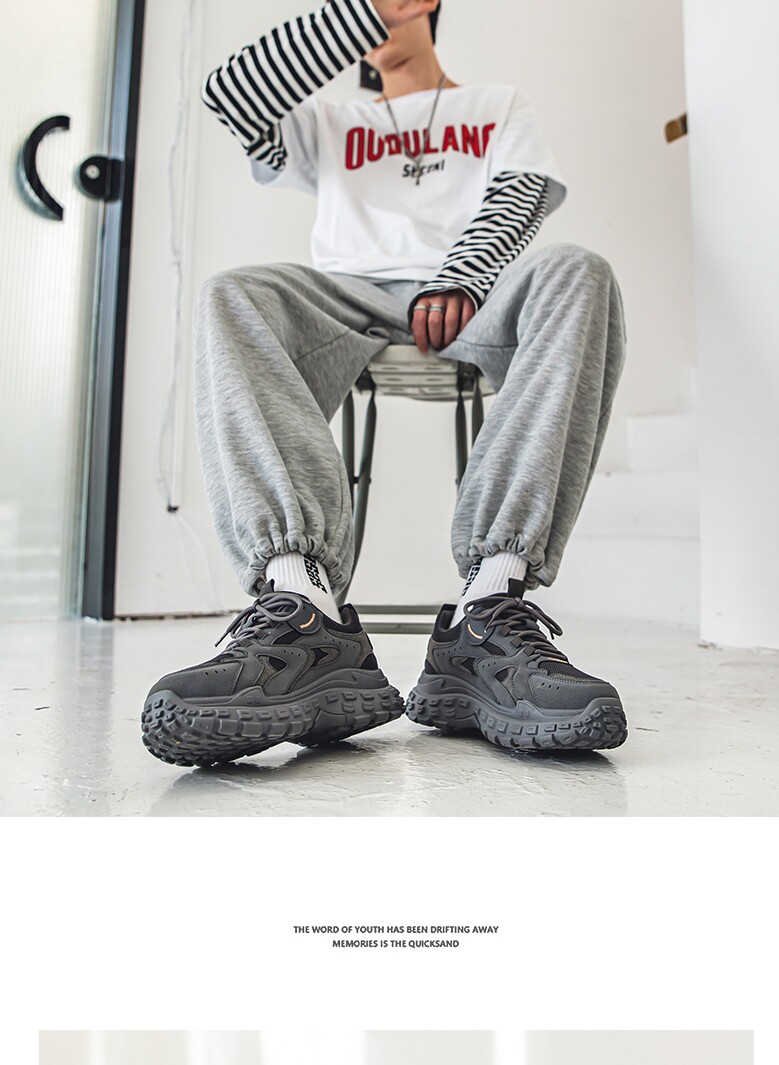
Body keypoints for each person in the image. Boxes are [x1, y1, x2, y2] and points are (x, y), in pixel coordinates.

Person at [141, 0, 628, 768]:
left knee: (579, 272)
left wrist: (463, 277)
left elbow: (524, 191)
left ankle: (488, 610)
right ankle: (304, 614)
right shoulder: (331, 119)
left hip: (474, 294)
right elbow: (230, 93)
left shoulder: (496, 104)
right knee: (232, 293)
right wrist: (359, 16)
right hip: (349, 296)